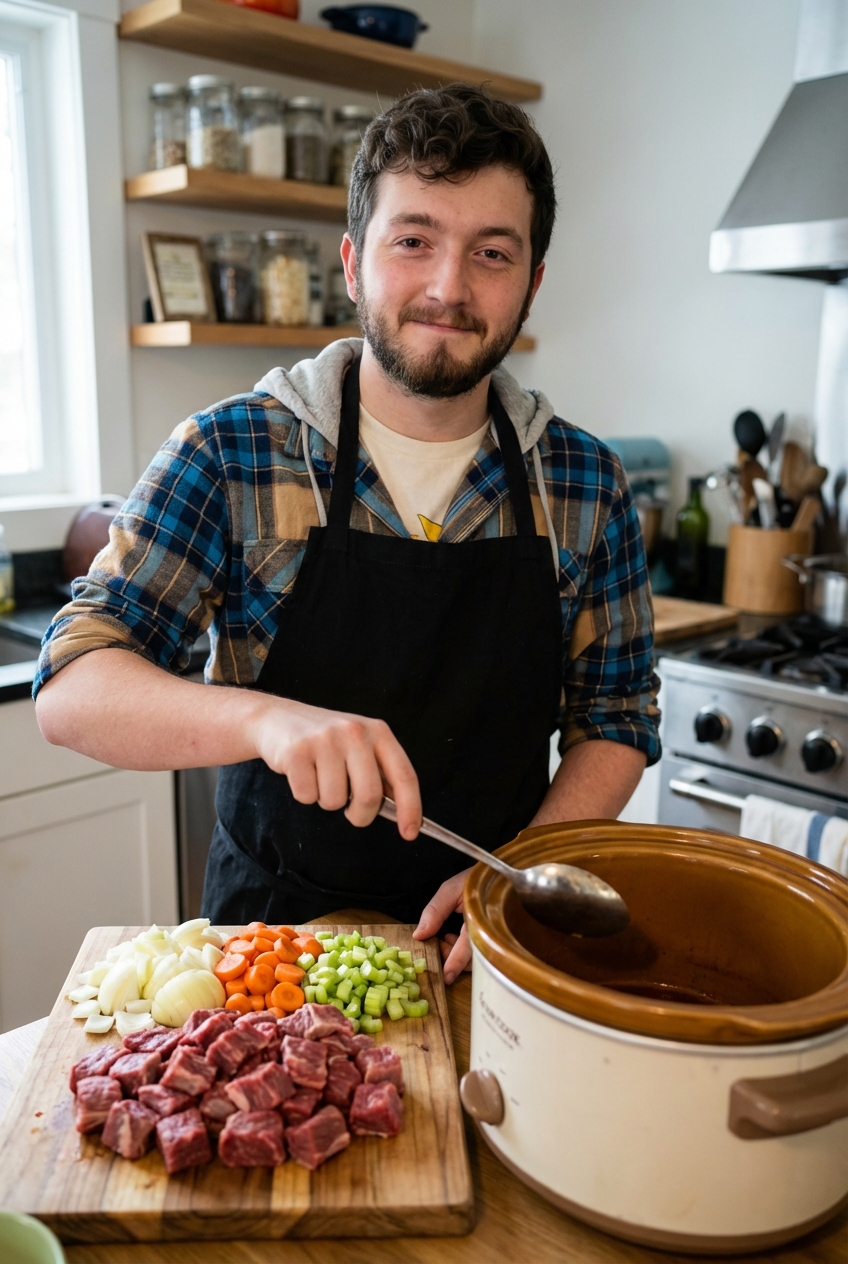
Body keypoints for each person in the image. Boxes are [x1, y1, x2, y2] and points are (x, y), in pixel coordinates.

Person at [34, 84, 660, 984]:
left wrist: (515, 890)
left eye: (492, 252)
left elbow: (616, 720)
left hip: (489, 953)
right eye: (414, 241)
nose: (449, 287)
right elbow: (71, 684)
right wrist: (264, 719)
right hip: (270, 958)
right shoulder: (234, 451)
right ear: (353, 263)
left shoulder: (585, 483)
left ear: (532, 281)